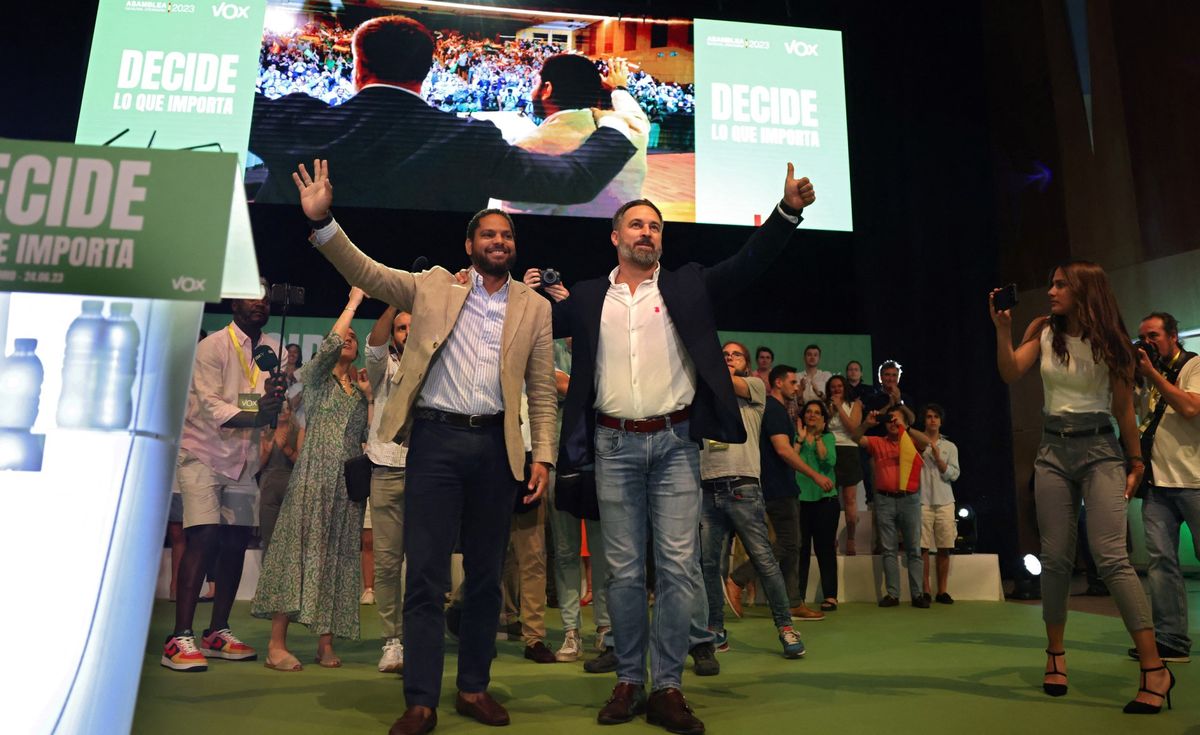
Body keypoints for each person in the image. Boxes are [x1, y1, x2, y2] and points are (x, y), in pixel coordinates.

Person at [548, 166, 815, 733]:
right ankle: (628, 680)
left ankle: (667, 688)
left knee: (677, 569)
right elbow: (527, 322)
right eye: (636, 225)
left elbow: (748, 263)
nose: (647, 232)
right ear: (616, 237)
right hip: (612, 444)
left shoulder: (688, 284)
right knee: (621, 572)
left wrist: (786, 212)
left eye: (655, 226)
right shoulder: (591, 296)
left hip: (674, 445)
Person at [294, 160, 556, 735]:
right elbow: (367, 269)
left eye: (507, 236)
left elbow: (542, 390)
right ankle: (420, 700)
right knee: (426, 576)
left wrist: (543, 457)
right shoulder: (434, 286)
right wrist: (323, 223)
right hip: (434, 441)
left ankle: (474, 688)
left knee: (486, 577)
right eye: (488, 234)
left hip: (497, 446)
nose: (499, 241)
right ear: (469, 244)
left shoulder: (535, 309)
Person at [990, 260, 1173, 713]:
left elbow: (1124, 409)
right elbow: (1011, 371)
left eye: (1059, 285)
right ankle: (1055, 654)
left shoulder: (1112, 342)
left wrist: (1135, 461)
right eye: (1050, 283)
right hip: (1052, 450)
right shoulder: (1043, 329)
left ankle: (1154, 668)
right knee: (1054, 559)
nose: (1050, 292)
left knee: (1112, 557)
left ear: (1084, 291)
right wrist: (1001, 328)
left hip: (1101, 450)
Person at [250, 15, 638, 212]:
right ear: (426, 73)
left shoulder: (292, 120)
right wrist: (622, 119)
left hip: (299, 289)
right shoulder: (468, 141)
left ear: (357, 69)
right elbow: (574, 182)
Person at [162, 290, 285, 672]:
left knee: (234, 542)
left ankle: (217, 632)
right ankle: (179, 637)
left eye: (265, 299)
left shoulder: (272, 348)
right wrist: (257, 411)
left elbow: (250, 399)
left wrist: (274, 401)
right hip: (202, 452)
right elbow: (214, 403)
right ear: (234, 306)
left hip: (243, 458)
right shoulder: (212, 347)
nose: (260, 303)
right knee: (204, 535)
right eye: (252, 298)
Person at [252, 288, 372, 670]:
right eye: (345, 337)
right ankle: (276, 645)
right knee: (296, 553)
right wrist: (351, 304)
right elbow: (336, 337)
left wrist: (368, 397)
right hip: (313, 477)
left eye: (355, 338)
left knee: (338, 558)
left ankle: (325, 643)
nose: (349, 340)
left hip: (346, 486)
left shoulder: (360, 389)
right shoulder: (319, 379)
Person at [698, 342, 806, 658]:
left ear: (747, 364)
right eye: (723, 355)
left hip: (742, 487)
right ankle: (715, 630)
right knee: (707, 564)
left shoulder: (755, 388)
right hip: (706, 487)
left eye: (735, 355)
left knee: (764, 560)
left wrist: (705, 361)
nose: (728, 358)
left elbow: (725, 379)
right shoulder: (705, 396)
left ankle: (785, 627)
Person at [502, 55, 649, 217]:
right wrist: (618, 89)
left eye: (535, 83)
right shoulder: (632, 129)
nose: (531, 91)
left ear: (547, 89)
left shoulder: (527, 149)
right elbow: (635, 114)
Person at [728, 366, 822, 621]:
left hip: (778, 485)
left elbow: (784, 448)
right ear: (778, 383)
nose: (796, 386)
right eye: (792, 382)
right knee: (789, 544)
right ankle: (738, 579)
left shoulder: (775, 411)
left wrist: (800, 441)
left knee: (791, 547)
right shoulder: (775, 410)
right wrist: (814, 474)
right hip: (777, 488)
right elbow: (782, 450)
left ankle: (793, 602)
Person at [1133, 311, 1199, 663]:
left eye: (1154, 335)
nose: (1148, 342)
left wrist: (1152, 374)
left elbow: (1190, 407)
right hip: (1157, 485)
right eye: (1143, 337)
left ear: (1173, 335)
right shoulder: (1145, 376)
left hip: (1195, 481)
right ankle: (1171, 641)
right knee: (1161, 563)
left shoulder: (1194, 366)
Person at [365, 306, 412, 674]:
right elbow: (375, 345)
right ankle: (391, 641)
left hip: (427, 471)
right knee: (386, 562)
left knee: (427, 562)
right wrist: (394, 302)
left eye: (413, 326)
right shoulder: (384, 368)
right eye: (401, 327)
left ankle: (418, 636)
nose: (406, 332)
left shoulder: (437, 362)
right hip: (384, 468)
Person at [852, 405, 932, 607]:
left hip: (910, 498)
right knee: (888, 549)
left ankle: (918, 594)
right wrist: (866, 424)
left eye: (896, 419)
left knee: (914, 548)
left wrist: (907, 428)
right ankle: (893, 594)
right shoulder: (878, 442)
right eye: (889, 419)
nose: (892, 423)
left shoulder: (912, 441)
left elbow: (927, 442)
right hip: (884, 499)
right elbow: (855, 438)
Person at [795, 400, 840, 614]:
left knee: (825, 549)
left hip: (825, 501)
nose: (812, 416)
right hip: (801, 501)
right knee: (800, 551)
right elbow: (790, 460)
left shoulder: (829, 437)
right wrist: (800, 439)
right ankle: (798, 598)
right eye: (809, 412)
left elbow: (827, 462)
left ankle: (830, 596)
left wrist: (819, 437)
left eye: (817, 413)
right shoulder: (796, 438)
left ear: (824, 419)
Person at [917, 403, 960, 604]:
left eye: (935, 417)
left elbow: (955, 474)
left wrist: (940, 461)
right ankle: (925, 590)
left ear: (941, 421)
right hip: (922, 499)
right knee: (923, 547)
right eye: (928, 416)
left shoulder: (950, 447)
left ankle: (942, 590)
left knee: (944, 546)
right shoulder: (917, 443)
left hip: (944, 501)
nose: (932, 420)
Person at [257, 396, 301, 553]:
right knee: (268, 537)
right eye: (279, 408)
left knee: (291, 538)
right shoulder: (265, 429)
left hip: (291, 486)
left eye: (285, 408)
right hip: (268, 486)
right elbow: (257, 466)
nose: (282, 412)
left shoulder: (297, 430)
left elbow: (301, 462)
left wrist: (286, 449)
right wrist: (267, 452)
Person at [826, 374, 864, 555]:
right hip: (830, 451)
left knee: (849, 499)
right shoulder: (826, 405)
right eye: (833, 387)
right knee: (830, 500)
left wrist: (840, 407)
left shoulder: (855, 404)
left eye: (839, 386)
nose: (836, 389)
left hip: (849, 451)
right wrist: (830, 410)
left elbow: (854, 429)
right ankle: (830, 538)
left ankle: (850, 539)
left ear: (845, 387)